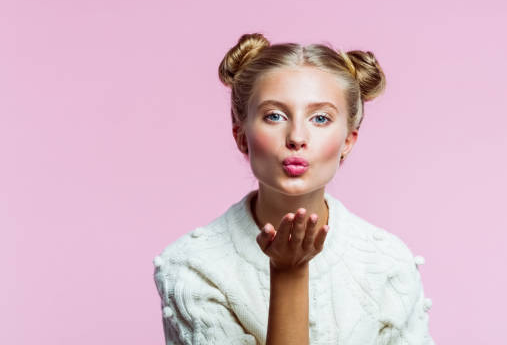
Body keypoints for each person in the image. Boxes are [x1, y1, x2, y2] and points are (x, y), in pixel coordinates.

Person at [152, 33, 435, 345]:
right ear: (241, 135)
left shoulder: (388, 262)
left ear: (348, 141)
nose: (297, 136)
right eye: (274, 115)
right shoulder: (193, 266)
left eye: (320, 118)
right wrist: (288, 274)